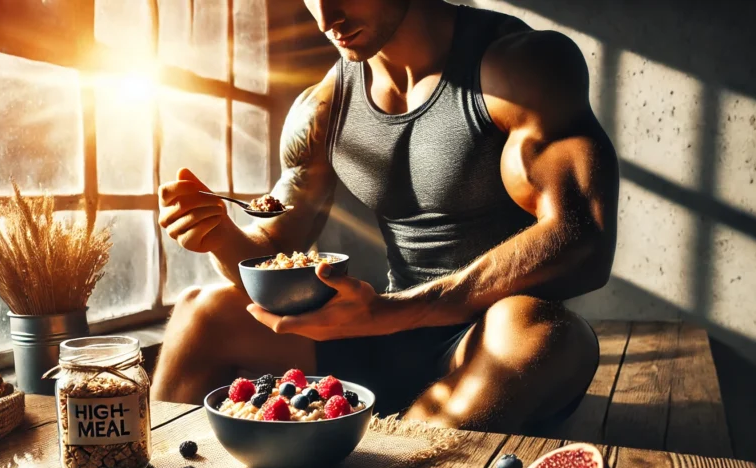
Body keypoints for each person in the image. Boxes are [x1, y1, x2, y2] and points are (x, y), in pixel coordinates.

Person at [151, 0, 618, 433]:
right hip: (379, 335)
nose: (324, 16)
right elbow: (269, 258)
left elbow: (583, 238)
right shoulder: (323, 105)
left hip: (487, 339)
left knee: (547, 335)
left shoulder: (518, 67)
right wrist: (217, 234)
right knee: (200, 312)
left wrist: (394, 312)